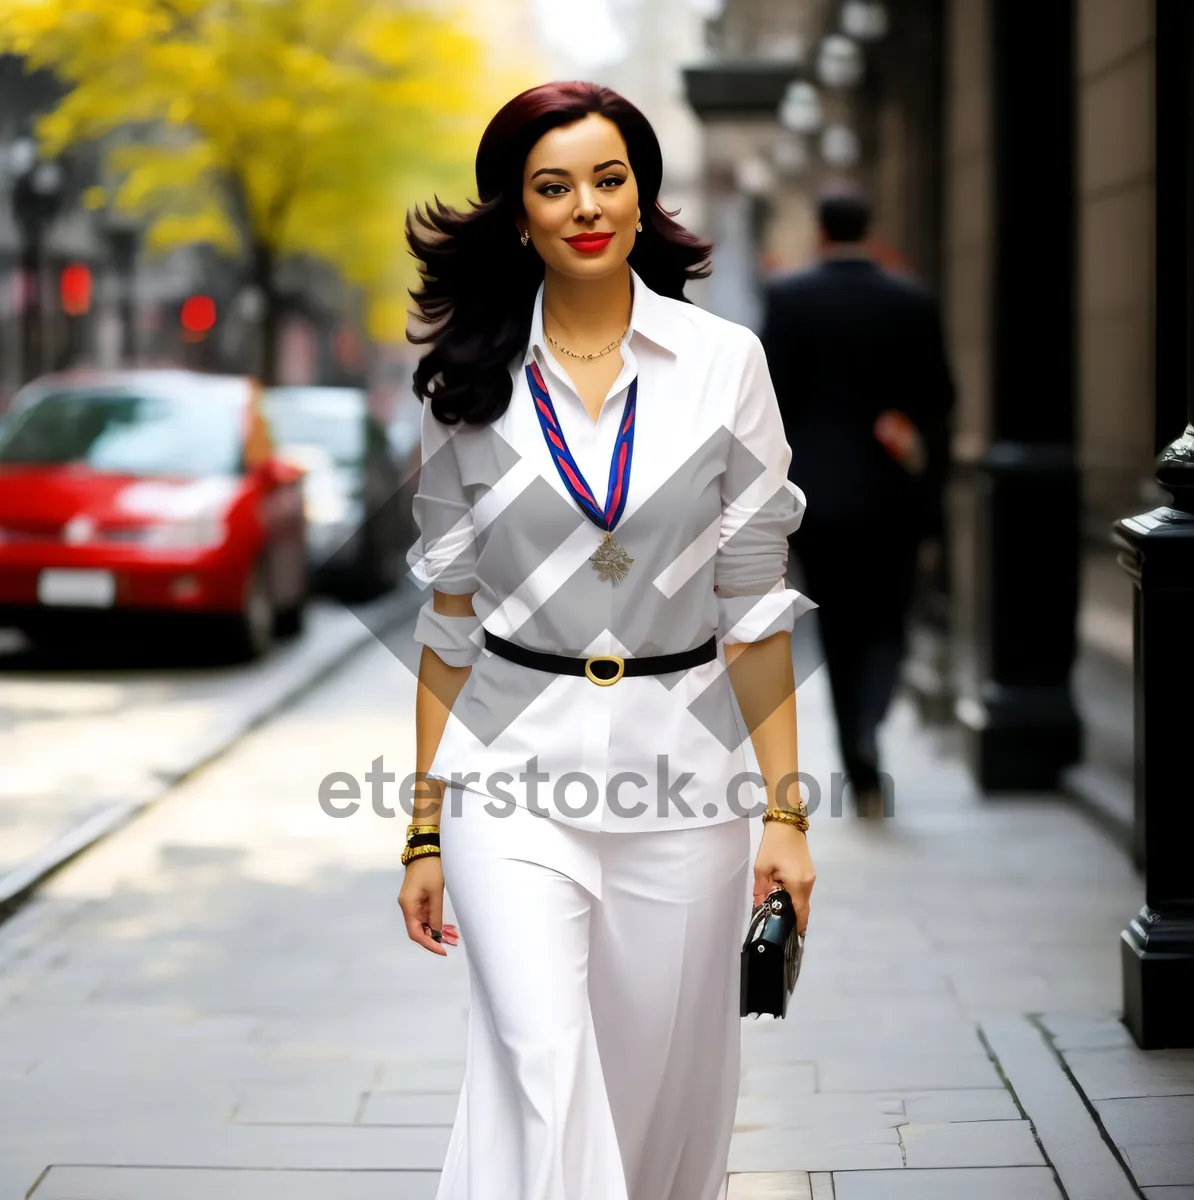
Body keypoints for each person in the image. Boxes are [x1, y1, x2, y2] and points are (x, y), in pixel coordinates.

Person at [397, 82, 817, 1200]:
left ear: (642, 196)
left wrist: (785, 813)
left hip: (682, 786)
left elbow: (755, 606)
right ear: (518, 212)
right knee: (542, 1066)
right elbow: (447, 620)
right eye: (553, 186)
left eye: (608, 177)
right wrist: (424, 832)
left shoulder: (725, 363)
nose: (585, 204)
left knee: (660, 1103)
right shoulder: (464, 387)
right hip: (507, 778)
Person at [760, 186, 955, 819]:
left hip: (820, 499)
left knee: (839, 627)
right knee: (891, 618)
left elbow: (770, 406)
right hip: (892, 490)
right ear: (869, 227)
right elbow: (941, 399)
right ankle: (873, 716)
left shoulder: (789, 299)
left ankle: (857, 744)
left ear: (821, 230)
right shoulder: (911, 300)